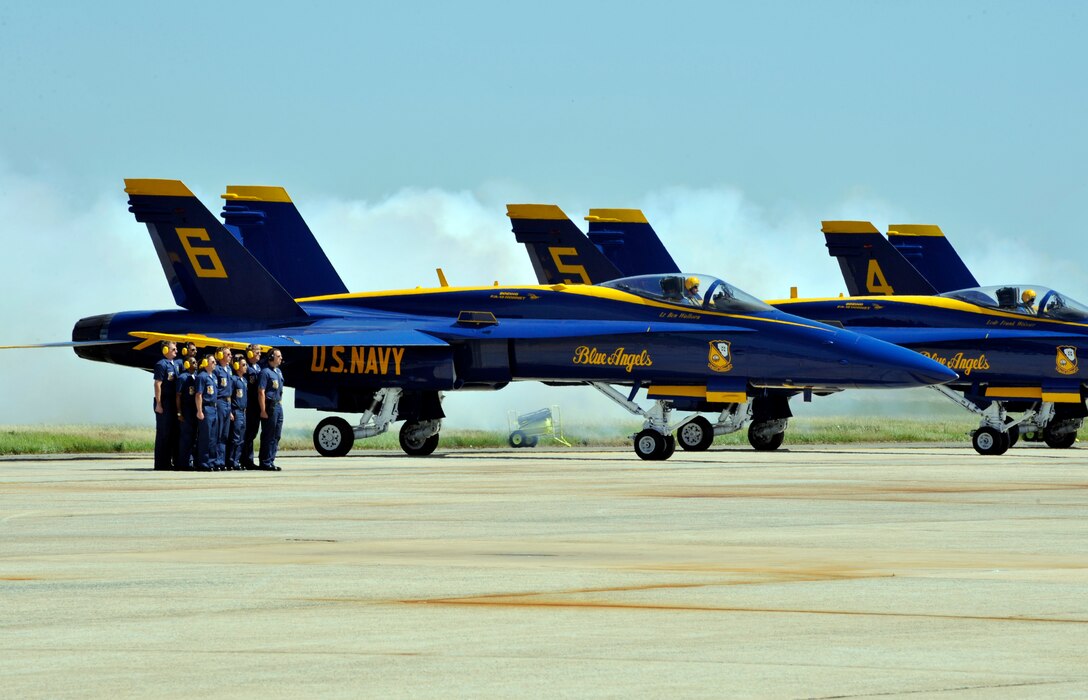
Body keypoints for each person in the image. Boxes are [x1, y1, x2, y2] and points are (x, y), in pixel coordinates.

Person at [152, 341, 178, 470]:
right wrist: (159, 403)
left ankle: (168, 462)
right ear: (165, 350)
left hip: (173, 402)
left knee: (172, 433)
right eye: (173, 349)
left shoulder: (174, 365)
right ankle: (161, 464)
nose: (176, 351)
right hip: (165, 402)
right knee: (163, 433)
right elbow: (158, 384)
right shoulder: (161, 365)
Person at [257, 348, 285, 471]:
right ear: (271, 358)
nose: (280, 358)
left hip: (278, 405)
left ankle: (271, 459)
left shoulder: (278, 372)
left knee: (276, 434)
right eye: (278, 356)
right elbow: (261, 392)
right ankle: (265, 461)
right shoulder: (265, 372)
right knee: (269, 433)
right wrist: (263, 410)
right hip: (269, 405)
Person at [194, 354, 219, 471]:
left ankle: (212, 461)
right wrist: (199, 411)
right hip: (206, 408)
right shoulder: (202, 377)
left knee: (213, 437)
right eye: (212, 362)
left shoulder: (213, 377)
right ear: (206, 363)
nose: (215, 364)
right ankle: (203, 463)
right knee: (205, 437)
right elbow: (198, 395)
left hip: (214, 408)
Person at [241, 344, 263, 469]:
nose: (259, 354)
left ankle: (249, 459)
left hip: (256, 405)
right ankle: (245, 460)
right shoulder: (246, 368)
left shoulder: (258, 367)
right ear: (250, 353)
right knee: (247, 434)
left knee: (252, 434)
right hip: (249, 405)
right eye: (257, 352)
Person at [226, 356, 249, 470]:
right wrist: (230, 411)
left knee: (241, 438)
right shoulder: (233, 380)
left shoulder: (244, 380)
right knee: (235, 438)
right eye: (243, 365)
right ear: (236, 366)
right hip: (236, 411)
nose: (246, 367)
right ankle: (231, 461)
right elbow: (229, 396)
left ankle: (236, 460)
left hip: (243, 412)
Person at [175, 358, 197, 470]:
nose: (196, 364)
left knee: (193, 437)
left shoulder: (196, 377)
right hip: (186, 409)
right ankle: (183, 463)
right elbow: (178, 395)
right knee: (185, 437)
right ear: (187, 364)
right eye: (193, 362)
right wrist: (179, 412)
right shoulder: (182, 378)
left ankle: (191, 461)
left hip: (194, 410)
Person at [213, 347, 233, 470]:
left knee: (225, 434)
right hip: (220, 402)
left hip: (228, 403)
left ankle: (222, 461)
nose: (230, 356)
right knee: (218, 433)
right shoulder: (217, 370)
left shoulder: (229, 370)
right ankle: (216, 461)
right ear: (220, 355)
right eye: (228, 354)